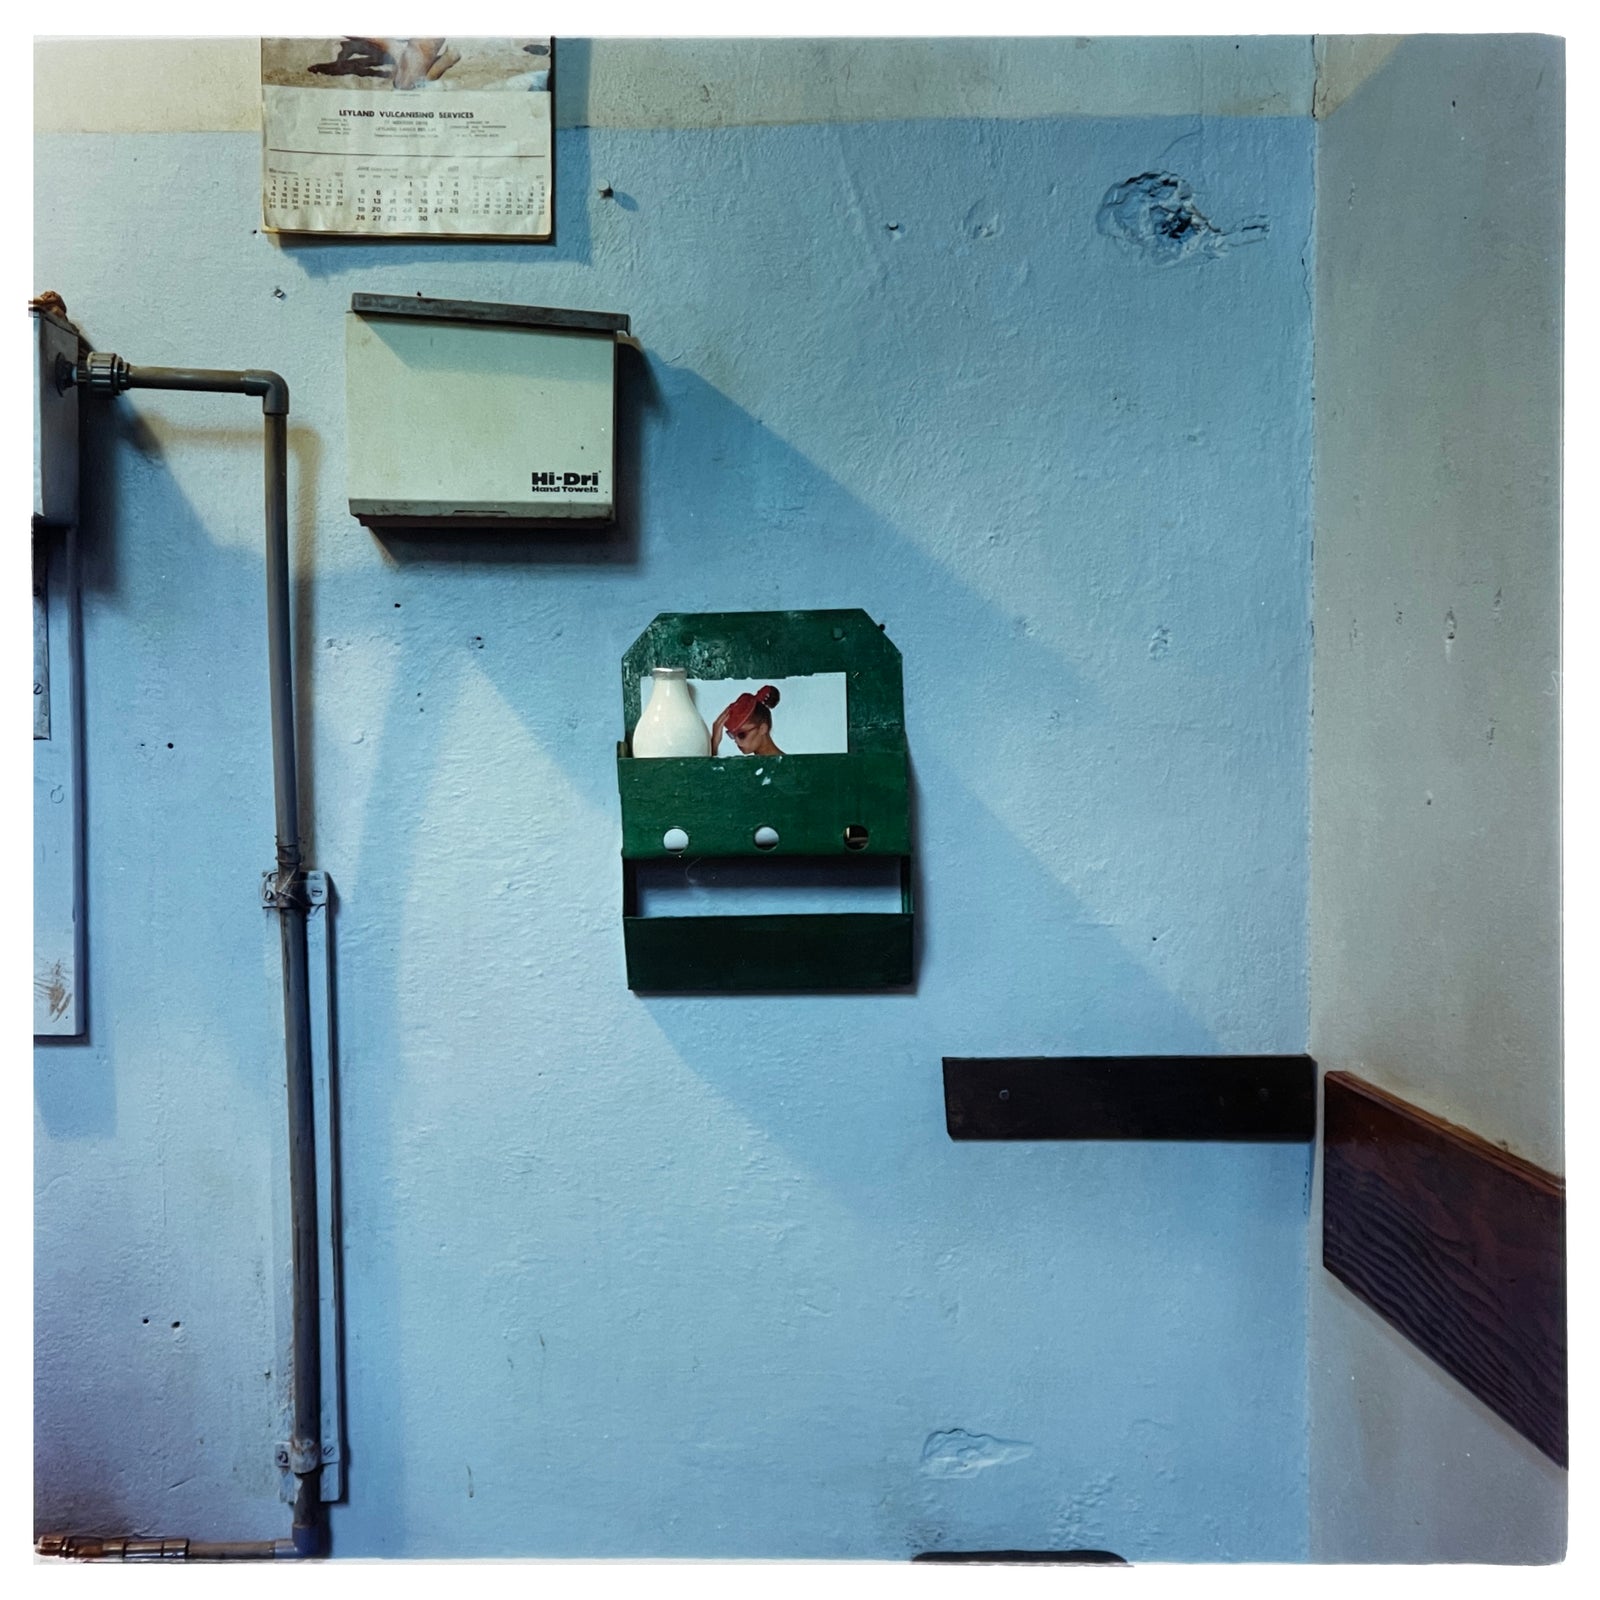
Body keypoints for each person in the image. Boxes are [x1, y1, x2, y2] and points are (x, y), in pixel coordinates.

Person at [712, 685, 783, 756]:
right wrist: (714, 743)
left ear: (762, 729)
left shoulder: (787, 762)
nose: (737, 742)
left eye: (741, 735)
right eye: (732, 735)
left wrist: (713, 747)